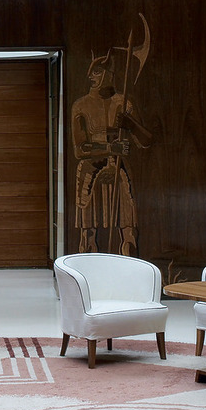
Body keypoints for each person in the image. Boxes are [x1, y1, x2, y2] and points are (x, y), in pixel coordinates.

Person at [71, 50, 152, 257]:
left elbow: (145, 141)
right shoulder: (81, 105)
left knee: (129, 232)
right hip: (90, 173)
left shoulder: (123, 103)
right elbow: (80, 149)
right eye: (91, 72)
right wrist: (110, 149)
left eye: (96, 72)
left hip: (119, 171)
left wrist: (130, 124)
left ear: (109, 73)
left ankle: (128, 272)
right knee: (88, 234)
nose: (91, 76)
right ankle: (88, 273)